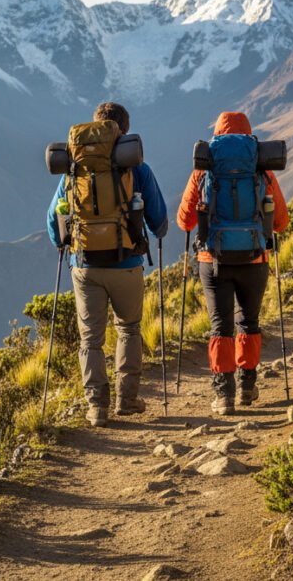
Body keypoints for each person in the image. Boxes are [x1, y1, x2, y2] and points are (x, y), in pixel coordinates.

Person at [47, 102, 168, 427]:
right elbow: (159, 219)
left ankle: (96, 407)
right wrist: (157, 230)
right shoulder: (136, 166)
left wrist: (66, 244)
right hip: (127, 263)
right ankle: (126, 401)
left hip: (85, 265)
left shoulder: (76, 165)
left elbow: (52, 221)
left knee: (91, 340)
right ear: (124, 132)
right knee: (128, 329)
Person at [176, 112, 289, 416]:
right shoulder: (262, 170)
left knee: (220, 325)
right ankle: (248, 386)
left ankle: (223, 394)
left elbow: (184, 220)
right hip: (255, 258)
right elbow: (280, 222)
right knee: (248, 321)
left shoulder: (205, 169)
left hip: (213, 260)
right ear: (250, 138)